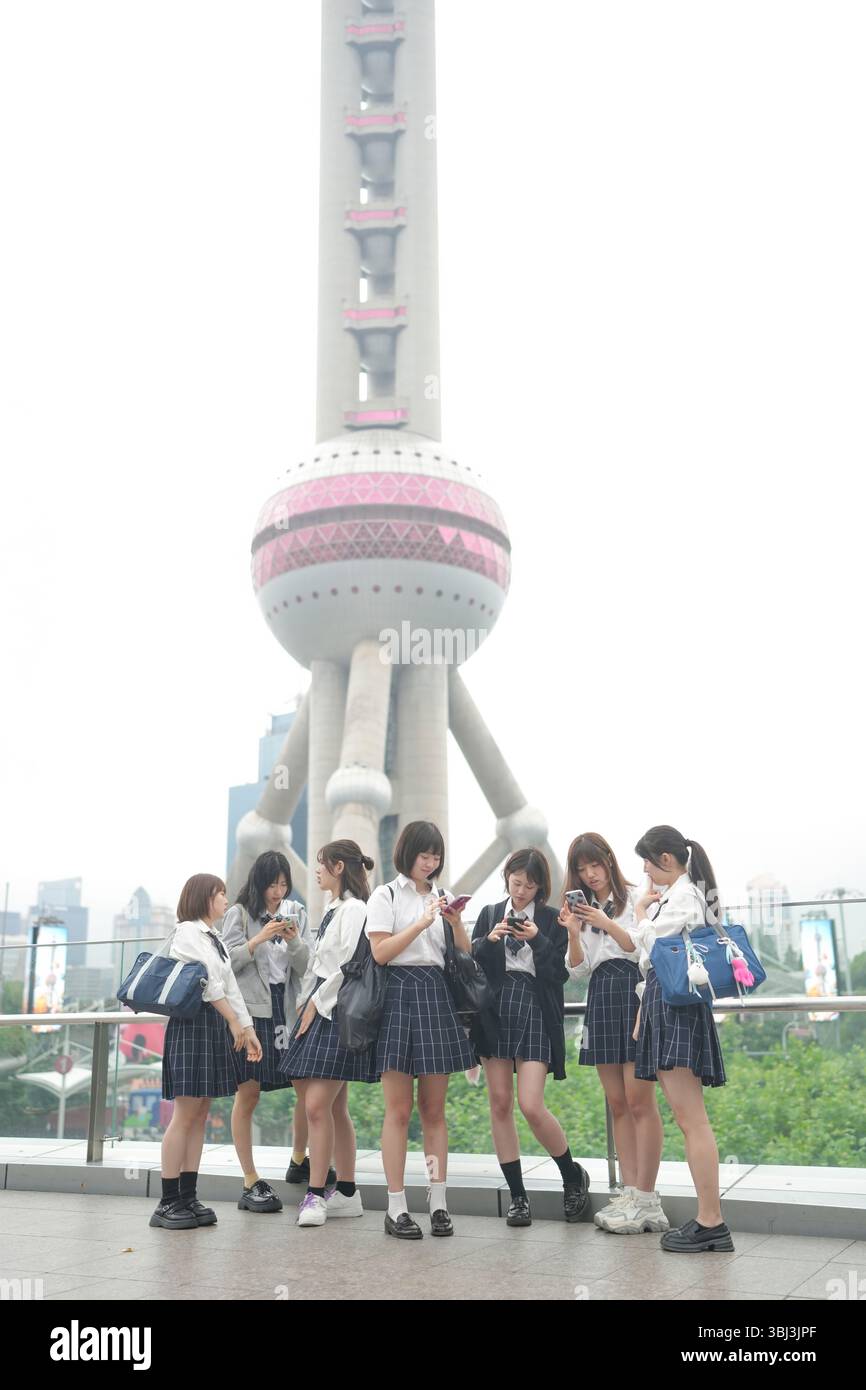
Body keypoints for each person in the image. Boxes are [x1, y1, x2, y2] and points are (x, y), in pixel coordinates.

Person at [366, 821, 476, 1240]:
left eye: (436, 857)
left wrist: (456, 922)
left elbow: (462, 955)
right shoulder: (386, 895)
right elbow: (379, 953)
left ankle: (439, 1201)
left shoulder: (443, 896)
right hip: (397, 994)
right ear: (408, 854)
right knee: (398, 1111)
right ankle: (396, 1206)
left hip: (436, 994)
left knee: (434, 1110)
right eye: (424, 855)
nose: (430, 864)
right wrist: (420, 923)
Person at [472, 847, 589, 1227]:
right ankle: (518, 1197)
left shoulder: (554, 919)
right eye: (516, 882)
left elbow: (560, 974)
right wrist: (490, 940)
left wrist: (539, 938)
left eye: (530, 885)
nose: (521, 890)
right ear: (507, 877)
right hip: (495, 1011)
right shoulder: (491, 913)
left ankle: (572, 1176)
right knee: (500, 1103)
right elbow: (473, 967)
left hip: (536, 1010)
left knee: (531, 1105)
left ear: (540, 888)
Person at [631, 824, 734, 1253]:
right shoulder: (681, 895)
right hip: (666, 1008)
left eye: (648, 863)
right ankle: (709, 1219)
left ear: (666, 860)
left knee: (692, 1120)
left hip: (675, 1012)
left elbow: (651, 946)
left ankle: (711, 1221)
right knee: (687, 1118)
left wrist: (639, 913)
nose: (645, 871)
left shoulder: (685, 897)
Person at [559, 832, 668, 1234]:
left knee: (640, 1100)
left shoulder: (637, 895)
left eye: (595, 865)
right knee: (617, 1103)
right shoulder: (583, 909)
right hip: (601, 994)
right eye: (583, 869)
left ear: (608, 861)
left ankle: (648, 1197)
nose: (590, 874)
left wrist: (605, 921)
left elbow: (641, 949)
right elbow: (578, 968)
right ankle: (629, 1191)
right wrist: (574, 930)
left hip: (634, 992)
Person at [150, 873, 261, 1230]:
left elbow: (230, 986)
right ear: (203, 898)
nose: (226, 900)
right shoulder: (187, 932)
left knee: (200, 1114)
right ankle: (167, 1202)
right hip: (192, 1025)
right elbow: (209, 985)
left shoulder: (215, 939)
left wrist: (247, 1028)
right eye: (220, 894)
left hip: (213, 1025)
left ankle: (187, 1195)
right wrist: (233, 1021)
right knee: (184, 1115)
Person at [280, 839, 377, 1227]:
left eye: (322, 864)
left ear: (338, 867)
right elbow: (319, 966)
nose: (316, 870)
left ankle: (316, 1195)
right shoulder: (334, 909)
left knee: (318, 1106)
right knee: (333, 1107)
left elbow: (351, 965)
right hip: (318, 1008)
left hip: (335, 1011)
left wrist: (316, 1007)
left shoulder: (354, 909)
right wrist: (307, 1007)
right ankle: (348, 1193)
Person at [221, 851, 311, 1214]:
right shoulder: (239, 914)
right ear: (258, 883)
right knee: (249, 1094)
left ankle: (299, 1158)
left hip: (286, 1010)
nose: (278, 891)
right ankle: (249, 1179)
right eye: (272, 884)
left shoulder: (297, 913)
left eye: (283, 884)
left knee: (305, 1086)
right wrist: (259, 938)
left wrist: (291, 938)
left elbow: (306, 966)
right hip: (252, 1012)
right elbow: (226, 962)